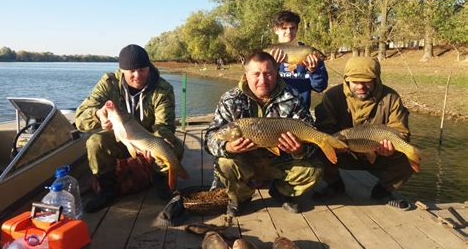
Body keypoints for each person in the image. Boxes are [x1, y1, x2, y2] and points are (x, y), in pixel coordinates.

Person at [204, 51, 324, 217]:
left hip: (279, 160)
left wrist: (300, 150)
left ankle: (282, 192)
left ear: (276, 73)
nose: (262, 80)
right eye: (256, 74)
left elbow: (311, 135)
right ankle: (242, 196)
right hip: (244, 161)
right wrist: (228, 147)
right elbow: (211, 137)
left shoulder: (292, 97)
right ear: (246, 75)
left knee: (314, 169)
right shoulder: (230, 99)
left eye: (268, 74)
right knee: (224, 163)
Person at [75, 44, 184, 212]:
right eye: (131, 71)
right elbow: (80, 118)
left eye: (142, 69)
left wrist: (156, 142)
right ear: (122, 70)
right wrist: (98, 115)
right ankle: (107, 189)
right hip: (120, 138)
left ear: (149, 67)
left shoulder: (163, 89)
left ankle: (162, 180)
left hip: (148, 138)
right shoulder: (109, 83)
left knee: (173, 148)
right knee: (95, 142)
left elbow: (164, 125)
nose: (137, 75)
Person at [314, 56, 414, 200]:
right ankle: (335, 184)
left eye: (366, 81)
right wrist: (336, 145)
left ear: (376, 79)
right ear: (346, 80)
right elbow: (323, 130)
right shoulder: (333, 96)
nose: (360, 86)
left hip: (379, 153)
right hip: (344, 152)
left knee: (408, 156)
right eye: (355, 82)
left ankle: (383, 190)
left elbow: (402, 133)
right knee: (316, 149)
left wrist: (390, 149)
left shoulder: (391, 98)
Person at [269, 10, 328, 111]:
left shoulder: (310, 53)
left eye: (292, 28)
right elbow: (260, 88)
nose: (288, 32)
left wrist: (314, 71)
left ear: (296, 29)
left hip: (301, 113)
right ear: (275, 30)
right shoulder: (268, 54)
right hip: (274, 113)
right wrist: (273, 68)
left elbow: (320, 87)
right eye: (284, 28)